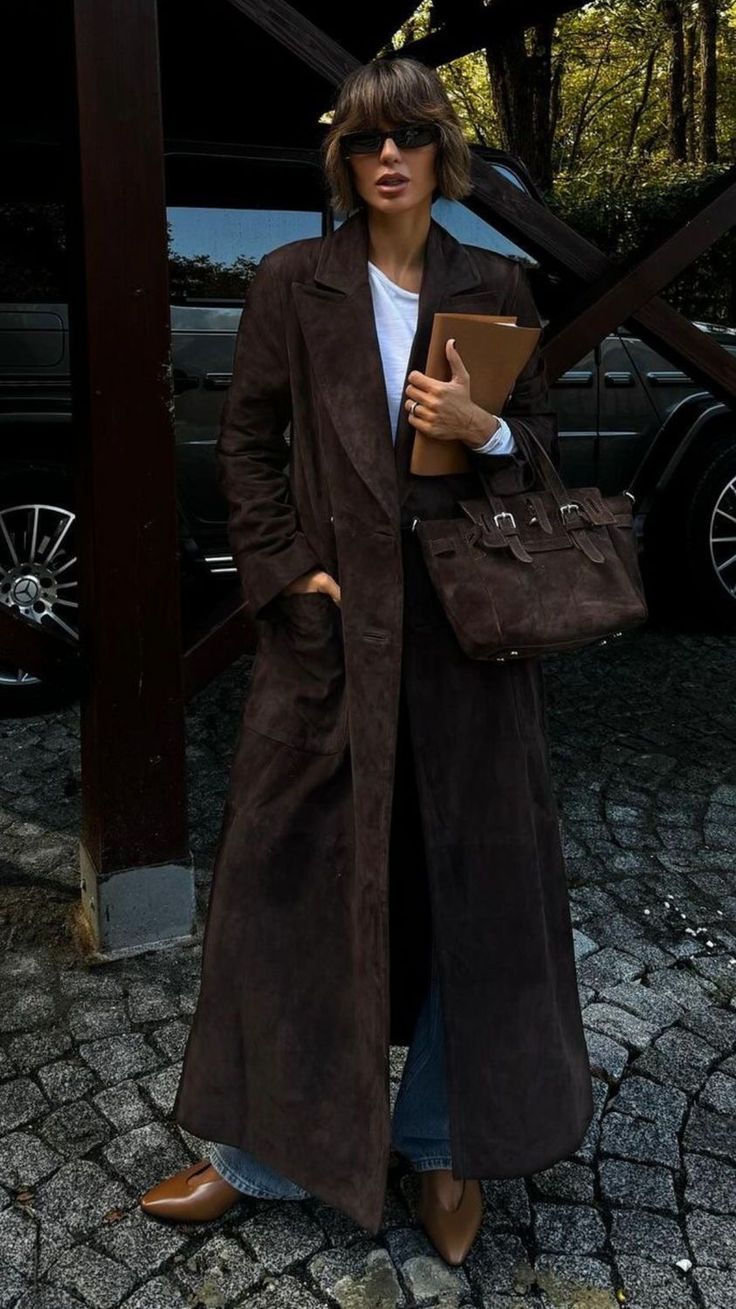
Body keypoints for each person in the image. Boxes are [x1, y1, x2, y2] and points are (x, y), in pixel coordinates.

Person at [139, 57, 594, 1266]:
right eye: (362, 143)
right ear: (342, 163)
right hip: (328, 646)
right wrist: (290, 579)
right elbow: (243, 446)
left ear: (441, 157)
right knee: (286, 894)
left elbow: (540, 454)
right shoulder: (296, 282)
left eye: (405, 140)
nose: (384, 159)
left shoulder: (497, 284)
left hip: (465, 648)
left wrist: (484, 429)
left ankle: (443, 1143)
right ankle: (257, 1154)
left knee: (470, 897)